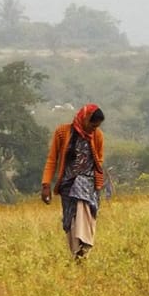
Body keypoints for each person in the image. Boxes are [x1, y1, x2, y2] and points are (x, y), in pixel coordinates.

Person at [41, 103, 105, 260]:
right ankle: (77, 254)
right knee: (70, 219)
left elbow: (99, 159)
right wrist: (46, 184)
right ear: (85, 119)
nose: (94, 129)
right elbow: (52, 159)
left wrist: (92, 177)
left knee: (85, 210)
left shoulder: (97, 136)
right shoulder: (62, 133)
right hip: (67, 184)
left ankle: (84, 246)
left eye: (97, 126)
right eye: (92, 125)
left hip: (88, 183)